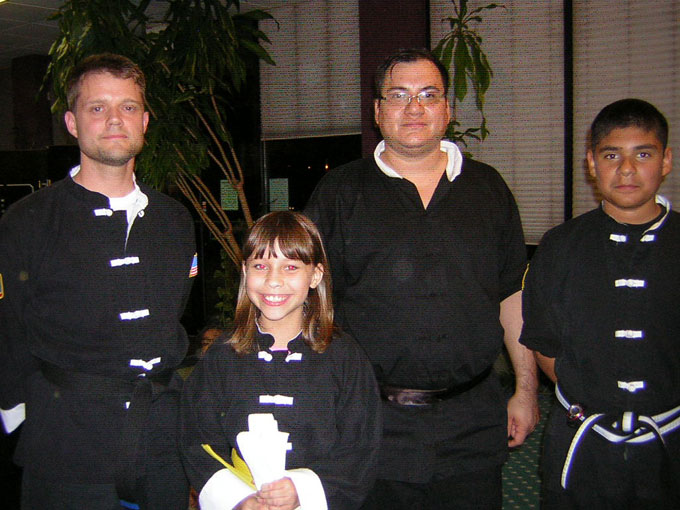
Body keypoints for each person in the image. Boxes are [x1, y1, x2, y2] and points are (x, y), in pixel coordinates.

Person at [304, 48, 539, 509]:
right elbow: (310, 302)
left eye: (429, 95)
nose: (415, 108)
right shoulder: (339, 192)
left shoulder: (488, 189)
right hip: (370, 419)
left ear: (447, 109)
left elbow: (511, 294)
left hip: (473, 418)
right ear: (378, 111)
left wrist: (526, 391)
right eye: (399, 95)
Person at [0, 53, 197, 509]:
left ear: (144, 121)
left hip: (162, 442)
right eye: (97, 107)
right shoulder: (27, 220)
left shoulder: (175, 220)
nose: (114, 119)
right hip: (65, 444)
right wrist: (19, 412)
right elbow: (8, 329)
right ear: (72, 123)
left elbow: (173, 313)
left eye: (128, 107)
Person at [520, 98, 680, 508]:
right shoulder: (560, 246)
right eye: (611, 155)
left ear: (665, 160)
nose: (626, 169)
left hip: (671, 445)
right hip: (582, 443)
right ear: (591, 164)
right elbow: (544, 344)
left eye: (642, 154)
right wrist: (592, 398)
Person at [180, 211, 382, 510]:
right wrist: (239, 499)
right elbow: (197, 439)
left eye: (290, 267)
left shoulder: (345, 358)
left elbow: (360, 446)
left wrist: (302, 490)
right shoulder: (222, 355)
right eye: (260, 266)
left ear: (315, 275)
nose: (273, 281)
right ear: (245, 271)